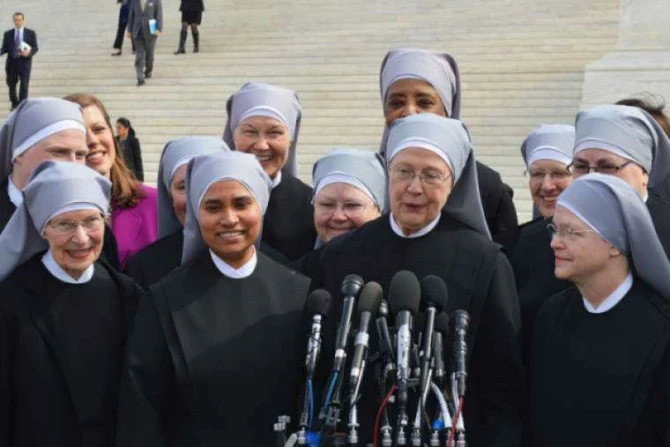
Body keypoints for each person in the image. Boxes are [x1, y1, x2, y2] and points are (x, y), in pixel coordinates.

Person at [310, 114, 524, 446]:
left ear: (453, 183)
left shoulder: (485, 261)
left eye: (431, 175)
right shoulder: (340, 254)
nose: (414, 187)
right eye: (404, 171)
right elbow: (322, 366)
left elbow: (502, 382)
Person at [116, 151, 310, 445]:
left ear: (260, 206)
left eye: (241, 204)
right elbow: (142, 410)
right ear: (197, 213)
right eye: (213, 207)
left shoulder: (297, 292)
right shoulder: (164, 299)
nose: (229, 219)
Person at [0, 161, 141, 446]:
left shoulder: (129, 296)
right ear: (43, 228)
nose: (81, 238)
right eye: (65, 224)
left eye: (91, 221)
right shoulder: (10, 300)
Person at [529, 174, 670, 446]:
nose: (555, 242)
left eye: (570, 232)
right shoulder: (551, 314)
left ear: (614, 243)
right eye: (555, 229)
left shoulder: (661, 331)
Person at [378, 48, 518, 237]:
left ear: (447, 109)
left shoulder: (487, 187)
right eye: (396, 103)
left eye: (424, 102)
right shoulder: (363, 180)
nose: (410, 112)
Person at [0, 97, 121, 269]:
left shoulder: (97, 228)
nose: (72, 165)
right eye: (58, 152)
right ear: (18, 153)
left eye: (80, 155)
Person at [224, 81, 316, 261]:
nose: (261, 145)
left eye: (274, 133)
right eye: (250, 132)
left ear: (290, 139)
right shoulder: (210, 198)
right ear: (234, 136)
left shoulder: (311, 204)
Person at [65, 93, 158, 269]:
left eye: (99, 129)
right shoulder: (49, 220)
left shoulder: (155, 204)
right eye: (80, 133)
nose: (92, 140)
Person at [124, 136, 228, 289]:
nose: (194, 198)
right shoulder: (142, 269)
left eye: (206, 183)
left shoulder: (262, 263)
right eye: (183, 187)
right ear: (169, 195)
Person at [291, 148, 386, 278]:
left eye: (352, 205)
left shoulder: (401, 271)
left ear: (379, 210)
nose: (338, 217)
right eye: (327, 205)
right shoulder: (294, 277)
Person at [0, 13, 38, 110]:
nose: (18, 22)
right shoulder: (8, 34)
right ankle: (14, 102)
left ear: (23, 20)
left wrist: (29, 53)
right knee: (11, 85)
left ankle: (22, 105)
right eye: (16, 20)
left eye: (20, 20)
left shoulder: (30, 33)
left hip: (24, 63)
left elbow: (35, 47)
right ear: (13, 21)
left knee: (24, 85)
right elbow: (4, 48)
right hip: (12, 64)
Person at [127, 0, 163, 86]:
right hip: (137, 31)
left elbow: (159, 15)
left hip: (151, 30)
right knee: (139, 56)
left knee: (150, 55)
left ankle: (148, 71)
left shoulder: (156, 1)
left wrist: (158, 28)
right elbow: (131, 16)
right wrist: (129, 30)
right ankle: (140, 77)